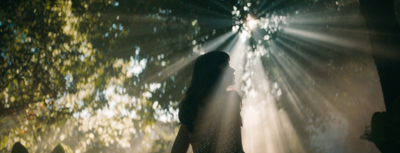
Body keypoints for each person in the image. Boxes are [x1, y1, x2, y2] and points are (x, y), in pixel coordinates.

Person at [171, 51, 244, 153]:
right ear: (213, 72)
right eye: (225, 66)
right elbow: (237, 148)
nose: (233, 70)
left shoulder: (190, 111)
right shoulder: (230, 99)